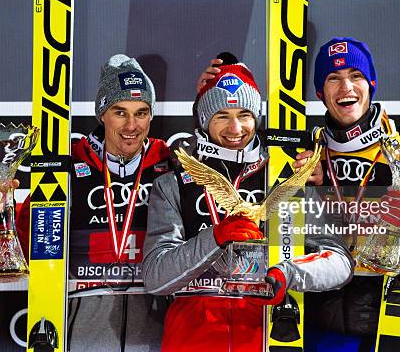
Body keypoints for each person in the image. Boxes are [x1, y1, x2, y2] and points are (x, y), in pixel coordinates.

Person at [142, 58, 354, 352]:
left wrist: (287, 274)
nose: (235, 127)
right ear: (204, 120)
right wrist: (215, 237)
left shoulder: (284, 174)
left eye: (244, 114)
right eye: (221, 115)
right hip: (192, 338)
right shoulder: (174, 183)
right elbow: (155, 277)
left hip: (267, 334)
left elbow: (340, 263)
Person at [0, 55, 172, 352]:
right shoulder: (67, 167)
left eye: (141, 112)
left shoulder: (170, 165)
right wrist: (1, 211)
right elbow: (30, 248)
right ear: (102, 114)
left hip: (155, 334)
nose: (132, 125)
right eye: (119, 112)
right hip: (83, 332)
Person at [294, 37, 400, 352]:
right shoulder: (303, 153)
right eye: (334, 78)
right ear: (320, 92)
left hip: (389, 331)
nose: (346, 86)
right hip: (315, 334)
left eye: (355, 76)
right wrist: (305, 194)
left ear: (371, 83)